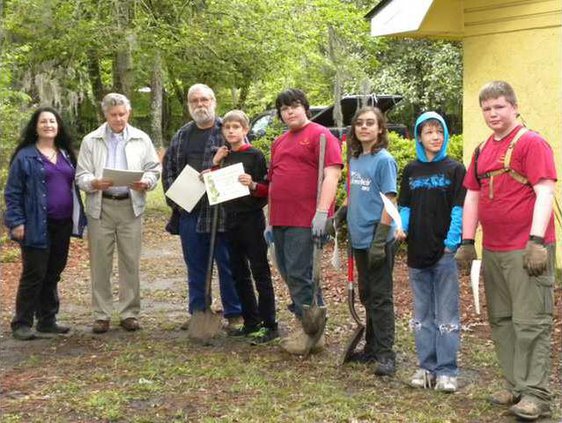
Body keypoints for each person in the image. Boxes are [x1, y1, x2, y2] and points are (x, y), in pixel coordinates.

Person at [456, 81, 556, 420]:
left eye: (499, 106)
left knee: (531, 322)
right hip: (494, 250)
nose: (492, 114)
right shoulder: (482, 149)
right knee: (502, 320)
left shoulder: (532, 143)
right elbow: (472, 195)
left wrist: (537, 241)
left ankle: (536, 394)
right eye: (486, 108)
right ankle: (515, 384)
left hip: (527, 250)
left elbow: (544, 192)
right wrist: (468, 241)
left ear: (513, 106)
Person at [76, 93, 161, 334]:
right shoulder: (91, 140)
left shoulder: (141, 139)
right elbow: (80, 175)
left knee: (130, 261)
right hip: (101, 206)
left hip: (130, 206)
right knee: (100, 263)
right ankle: (101, 314)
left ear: (129, 113)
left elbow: (154, 169)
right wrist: (94, 182)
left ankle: (129, 313)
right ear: (105, 114)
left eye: (122, 114)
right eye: (113, 115)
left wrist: (146, 181)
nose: (118, 119)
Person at [268, 88, 342, 355]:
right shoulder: (279, 142)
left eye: (295, 105)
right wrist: (268, 221)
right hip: (279, 220)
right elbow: (275, 180)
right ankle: (310, 325)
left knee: (302, 274)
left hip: (305, 219)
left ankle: (312, 331)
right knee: (289, 273)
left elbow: (331, 175)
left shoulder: (322, 136)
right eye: (284, 108)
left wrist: (323, 213)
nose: (290, 111)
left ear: (305, 108)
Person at [162, 84, 242, 330]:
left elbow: (243, 163)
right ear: (189, 105)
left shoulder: (227, 130)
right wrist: (176, 200)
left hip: (220, 211)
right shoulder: (182, 135)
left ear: (213, 101)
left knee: (227, 264)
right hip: (189, 211)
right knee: (195, 264)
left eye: (204, 100)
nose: (200, 104)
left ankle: (235, 313)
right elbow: (169, 171)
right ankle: (199, 311)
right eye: (194, 100)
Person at [397, 112, 466, 391]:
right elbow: (405, 207)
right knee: (422, 314)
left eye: (439, 131)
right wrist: (401, 228)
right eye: (428, 131)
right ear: (419, 137)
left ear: (446, 135)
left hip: (444, 254)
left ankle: (448, 370)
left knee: (447, 315)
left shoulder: (454, 169)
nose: (435, 136)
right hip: (416, 252)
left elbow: (459, 209)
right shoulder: (411, 170)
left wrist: (451, 243)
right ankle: (426, 367)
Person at [4, 107, 86, 340]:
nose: (48, 125)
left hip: (62, 223)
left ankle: (47, 320)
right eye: (43, 122)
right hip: (35, 224)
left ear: (58, 126)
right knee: (35, 272)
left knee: (53, 272)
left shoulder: (65, 154)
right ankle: (21, 322)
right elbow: (13, 192)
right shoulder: (25, 156)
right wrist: (16, 221)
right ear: (35, 127)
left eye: (52, 121)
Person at [211, 110, 278, 344]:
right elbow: (215, 188)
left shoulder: (255, 156)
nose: (231, 131)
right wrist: (215, 164)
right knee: (238, 272)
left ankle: (270, 323)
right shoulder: (223, 156)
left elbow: (266, 189)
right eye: (227, 127)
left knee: (259, 270)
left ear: (245, 130)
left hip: (251, 219)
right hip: (230, 219)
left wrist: (252, 185)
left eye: (236, 127)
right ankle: (251, 321)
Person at [343, 106, 398, 376]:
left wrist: (379, 240)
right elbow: (352, 193)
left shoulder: (384, 160)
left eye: (370, 123)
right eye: (360, 123)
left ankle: (387, 355)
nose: (364, 127)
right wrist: (341, 214)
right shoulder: (354, 158)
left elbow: (391, 202)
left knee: (381, 298)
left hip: (378, 240)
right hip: (358, 238)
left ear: (380, 129)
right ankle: (372, 347)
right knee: (367, 295)